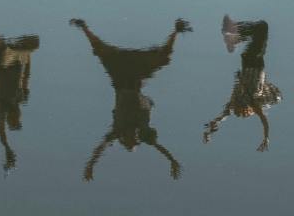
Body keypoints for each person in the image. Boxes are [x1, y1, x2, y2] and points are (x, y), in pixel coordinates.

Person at [71, 17, 189, 180]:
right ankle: (176, 31)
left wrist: (91, 164)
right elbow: (159, 146)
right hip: (135, 79)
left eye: (130, 139)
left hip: (120, 78)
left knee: (100, 51)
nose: (133, 136)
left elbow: (102, 147)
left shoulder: (117, 130)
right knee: (163, 58)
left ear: (123, 137)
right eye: (135, 139)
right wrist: (172, 160)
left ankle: (83, 27)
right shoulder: (143, 130)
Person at [203, 17, 282, 151]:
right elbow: (224, 115)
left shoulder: (251, 102)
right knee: (260, 29)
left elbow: (263, 119)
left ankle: (234, 33)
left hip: (255, 62)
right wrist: (212, 126)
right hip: (246, 62)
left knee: (262, 27)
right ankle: (235, 34)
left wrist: (266, 136)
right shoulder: (237, 100)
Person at [0, 30, 41, 171]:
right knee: (35, 41)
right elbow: (26, 78)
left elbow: (1, 132)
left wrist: (7, 148)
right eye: (18, 119)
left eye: (14, 120)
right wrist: (28, 57)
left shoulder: (3, 107)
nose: (17, 116)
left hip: (3, 63)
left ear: (10, 118)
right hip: (16, 62)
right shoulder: (22, 98)